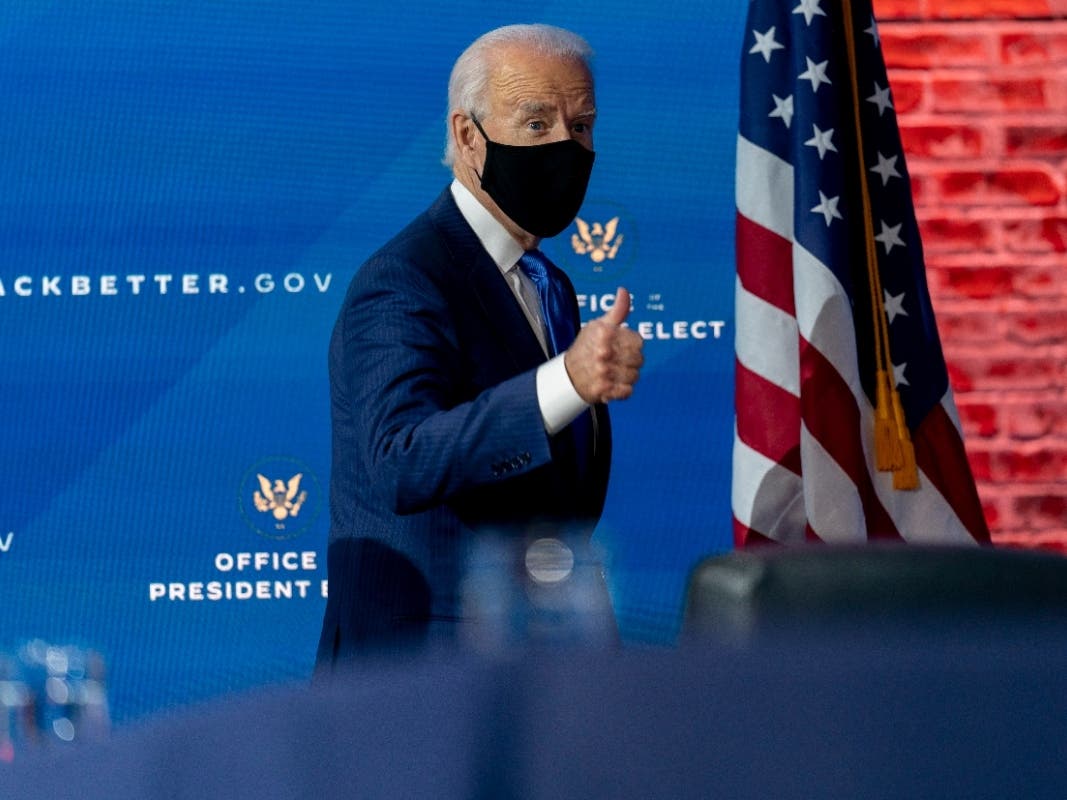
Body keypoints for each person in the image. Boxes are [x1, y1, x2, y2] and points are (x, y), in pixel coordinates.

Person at [316, 23, 643, 667]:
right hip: (412, 681)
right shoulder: (404, 278)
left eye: (581, 126)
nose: (565, 146)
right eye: (535, 122)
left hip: (533, 661)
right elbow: (400, 459)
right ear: (469, 137)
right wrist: (567, 383)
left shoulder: (550, 285)